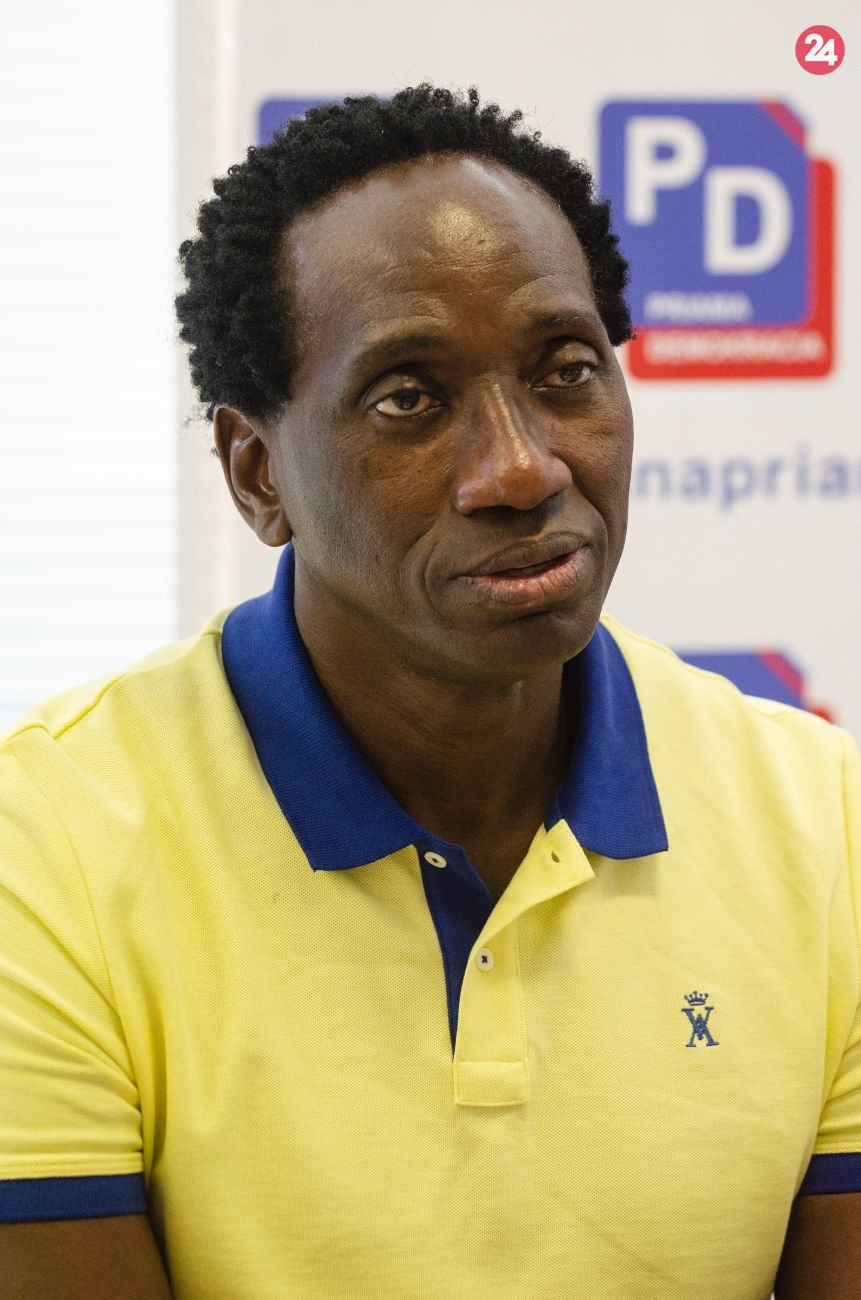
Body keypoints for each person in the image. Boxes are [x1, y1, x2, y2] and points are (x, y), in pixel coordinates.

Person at [0, 84, 859, 1300]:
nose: (522, 467)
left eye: (566, 370)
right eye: (409, 397)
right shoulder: (45, 851)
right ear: (257, 475)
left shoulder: (825, 822)